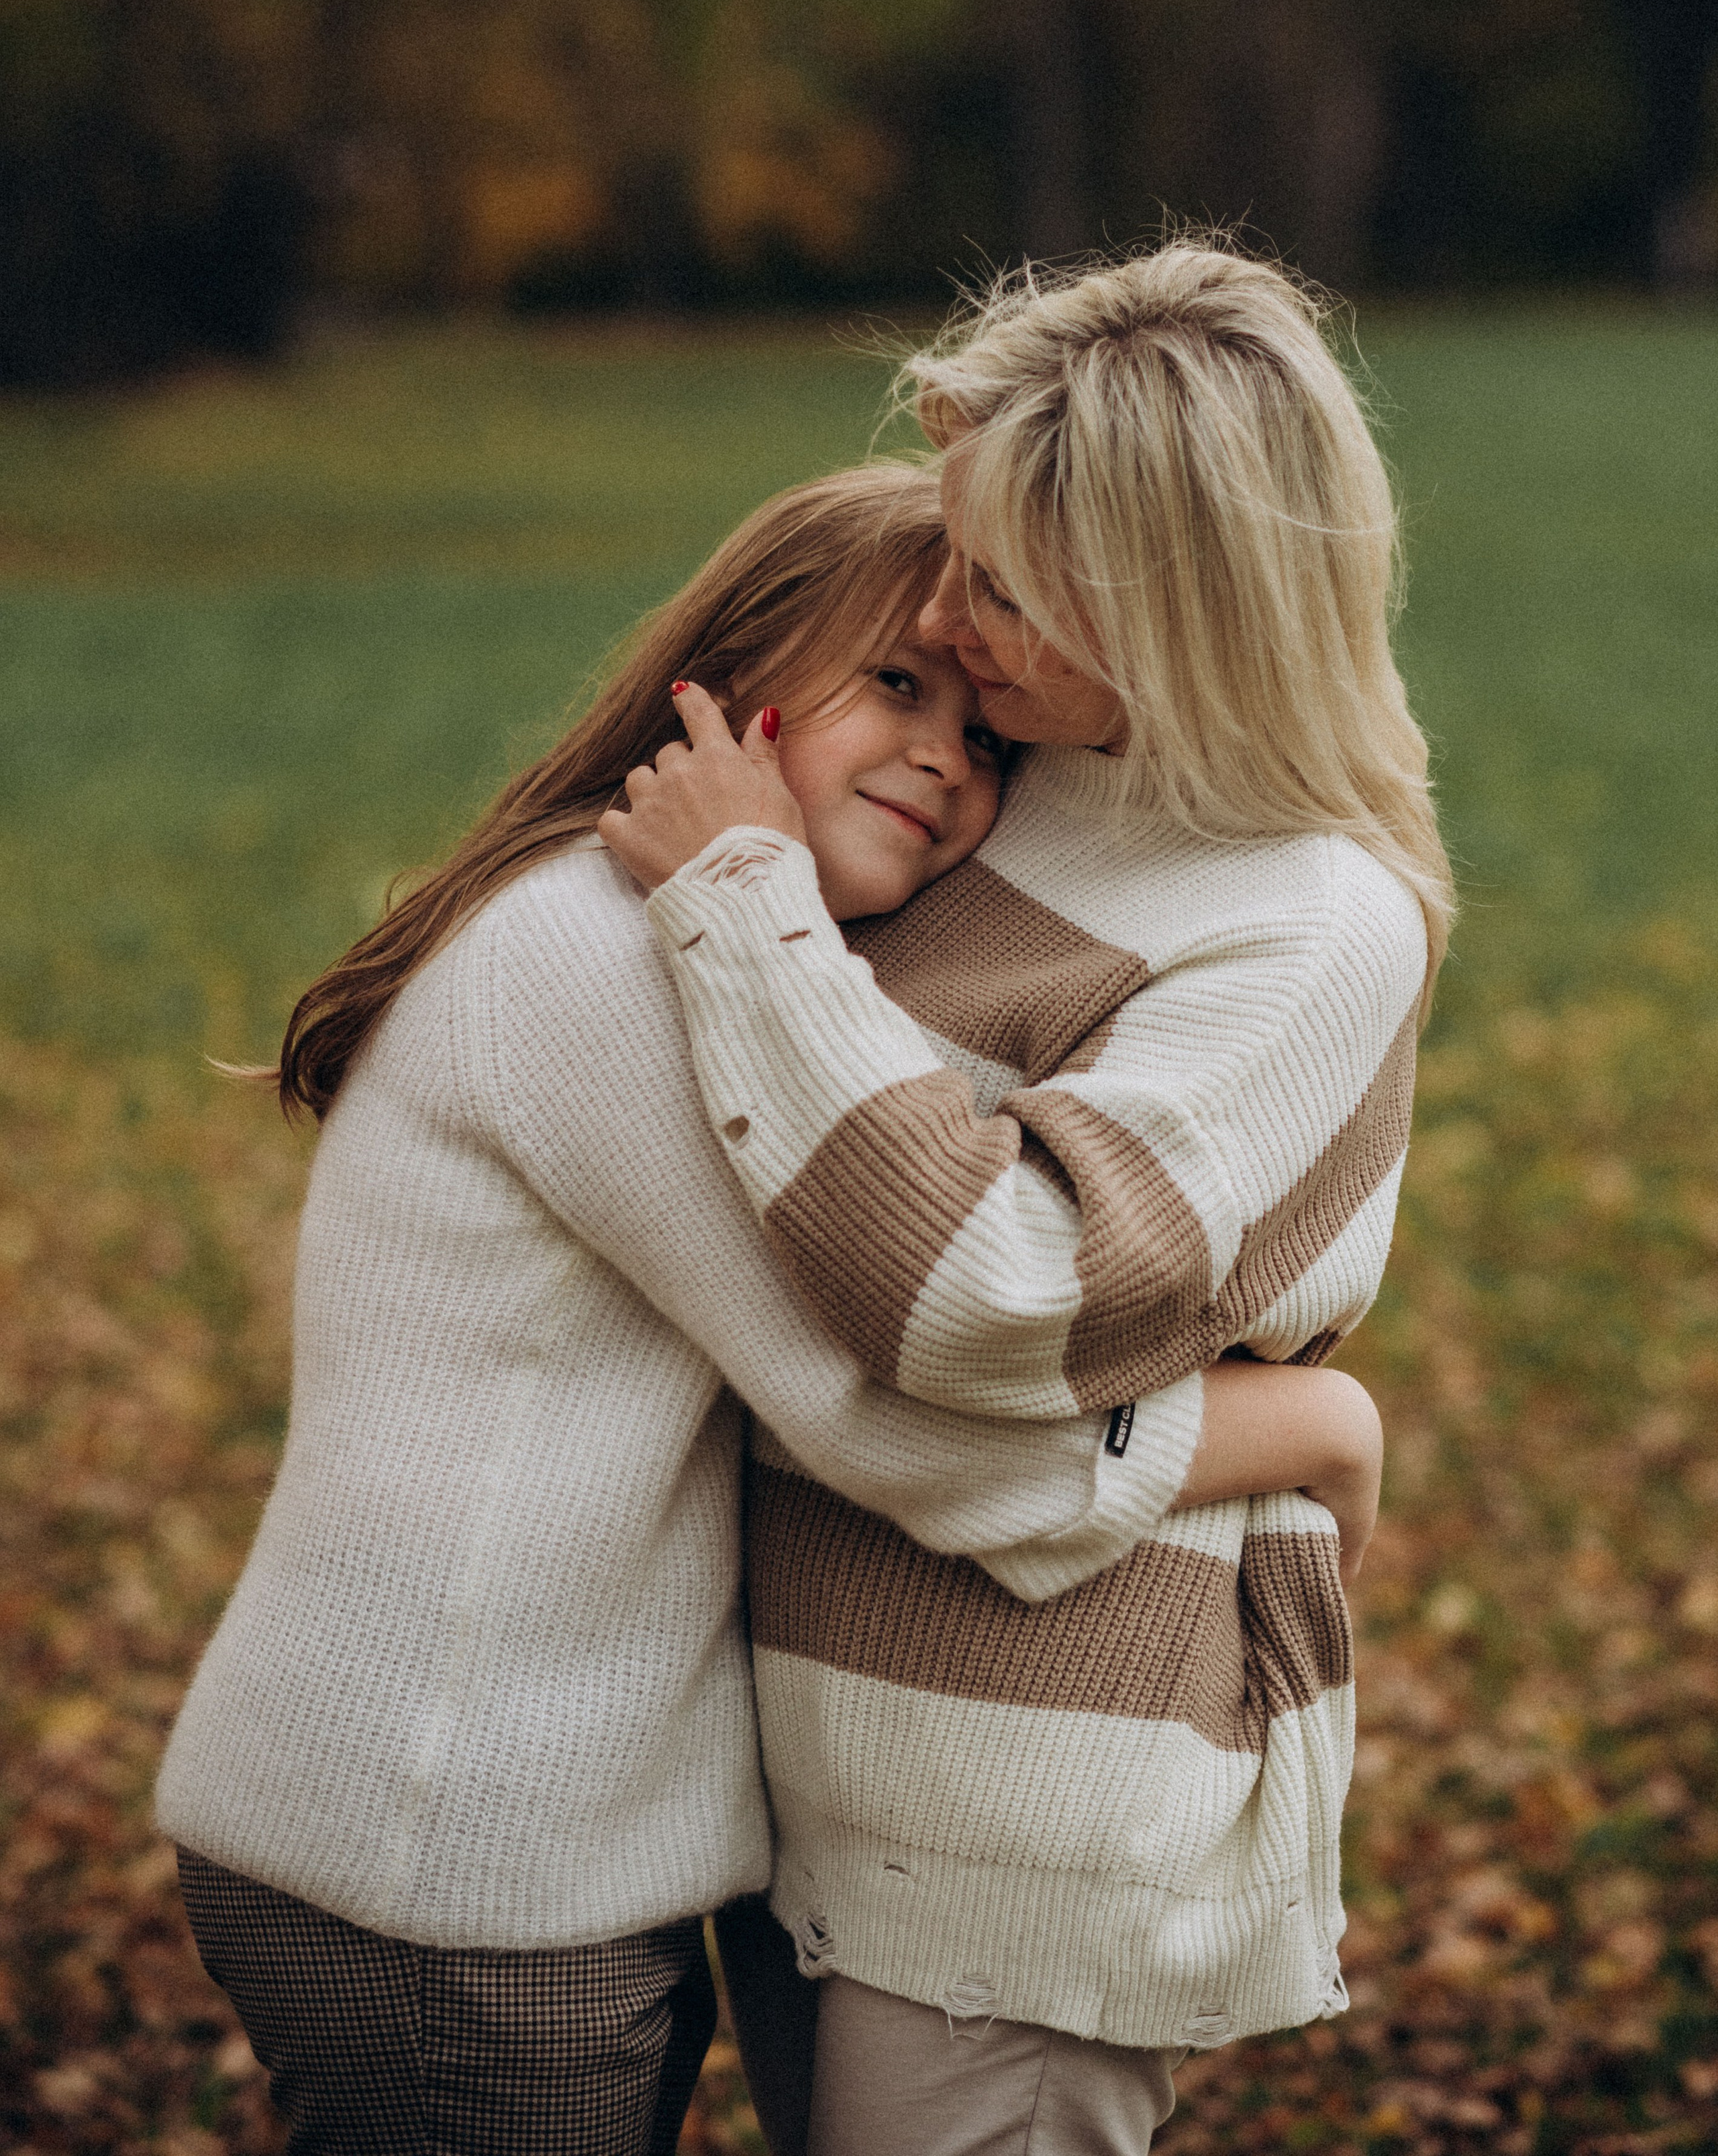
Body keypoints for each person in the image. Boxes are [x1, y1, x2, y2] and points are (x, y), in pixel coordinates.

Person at [156, 462, 1380, 2156]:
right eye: (896, 682)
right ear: (733, 680)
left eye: (989, 735)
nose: (951, 756)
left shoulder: (709, 963)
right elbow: (900, 1427)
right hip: (439, 1856)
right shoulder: (598, 963)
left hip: (520, 1845)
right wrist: (1317, 1424)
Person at [601, 240, 1454, 2156]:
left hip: (1030, 1820)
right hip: (811, 1745)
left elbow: (1003, 1299)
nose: (953, 620)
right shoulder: (1013, 780)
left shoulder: (1309, 922)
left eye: (1002, 588)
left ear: (1175, 609)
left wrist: (740, 912)